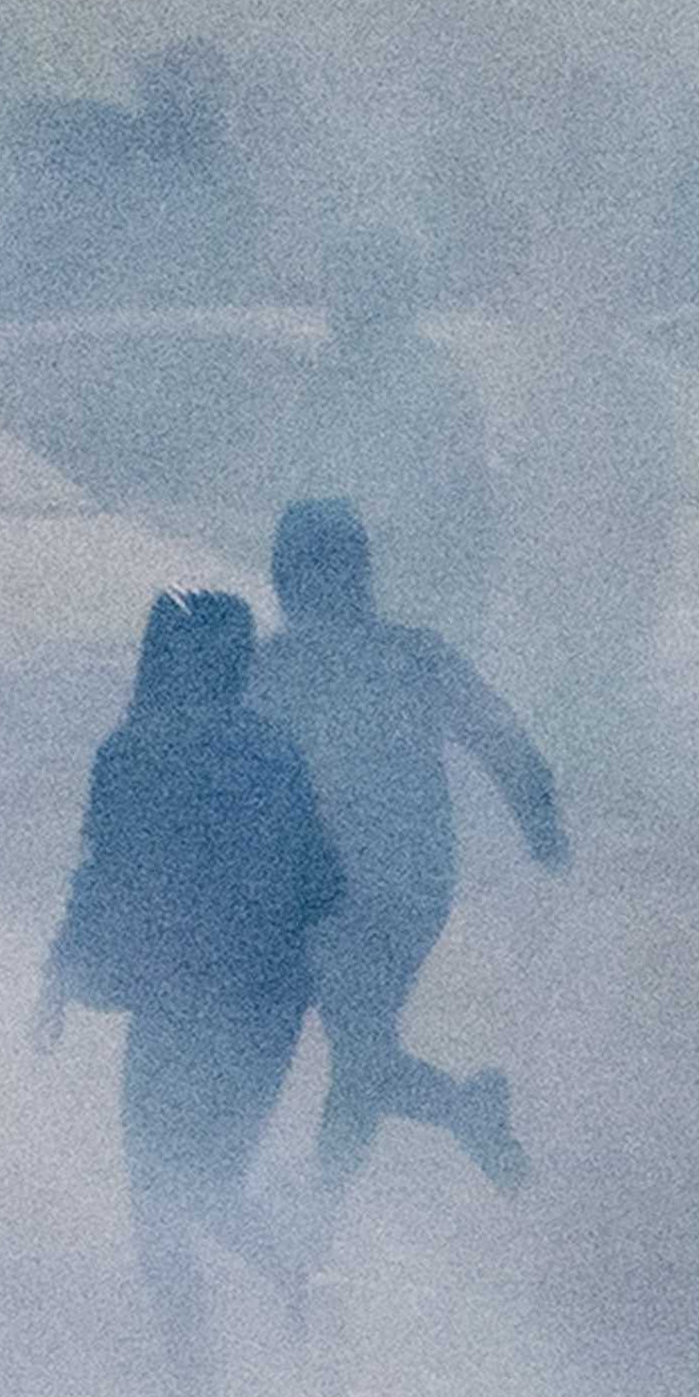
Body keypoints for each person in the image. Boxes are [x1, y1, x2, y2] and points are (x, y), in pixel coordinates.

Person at [39, 589, 339, 1397]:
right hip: (272, 1001)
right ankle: (299, 1279)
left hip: (177, 1002)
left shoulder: (130, 753)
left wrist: (62, 975)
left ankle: (197, 1368)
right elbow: (327, 883)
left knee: (159, 1184)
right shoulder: (278, 753)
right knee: (210, 1177)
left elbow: (101, 883)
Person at [248, 495, 561, 1211]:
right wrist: (542, 826)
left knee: (360, 1049)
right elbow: (506, 744)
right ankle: (328, 1204)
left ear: (288, 575)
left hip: (336, 889)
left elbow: (230, 779)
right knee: (362, 1048)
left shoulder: (277, 666)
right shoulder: (413, 654)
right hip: (414, 884)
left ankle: (455, 1116)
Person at [264, 236, 501, 643]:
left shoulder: (428, 382)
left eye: (344, 288)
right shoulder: (331, 381)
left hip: (406, 593)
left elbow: (462, 490)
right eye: (334, 288)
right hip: (348, 596)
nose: (333, 307)